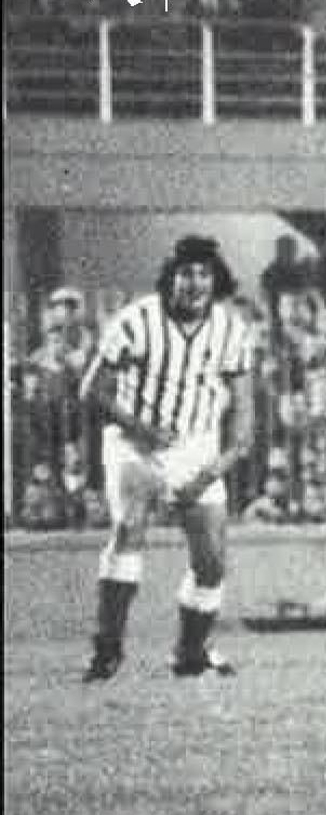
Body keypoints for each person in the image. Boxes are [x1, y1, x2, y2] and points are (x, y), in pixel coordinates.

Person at [78, 237, 257, 681]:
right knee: (130, 526)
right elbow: (92, 392)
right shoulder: (136, 321)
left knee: (212, 562)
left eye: (203, 274)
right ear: (170, 278)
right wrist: (141, 429)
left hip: (197, 447)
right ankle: (107, 648)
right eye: (185, 274)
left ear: (215, 280)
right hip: (134, 441)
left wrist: (218, 465)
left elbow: (244, 412)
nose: (194, 283)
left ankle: (190, 652)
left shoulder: (231, 330)